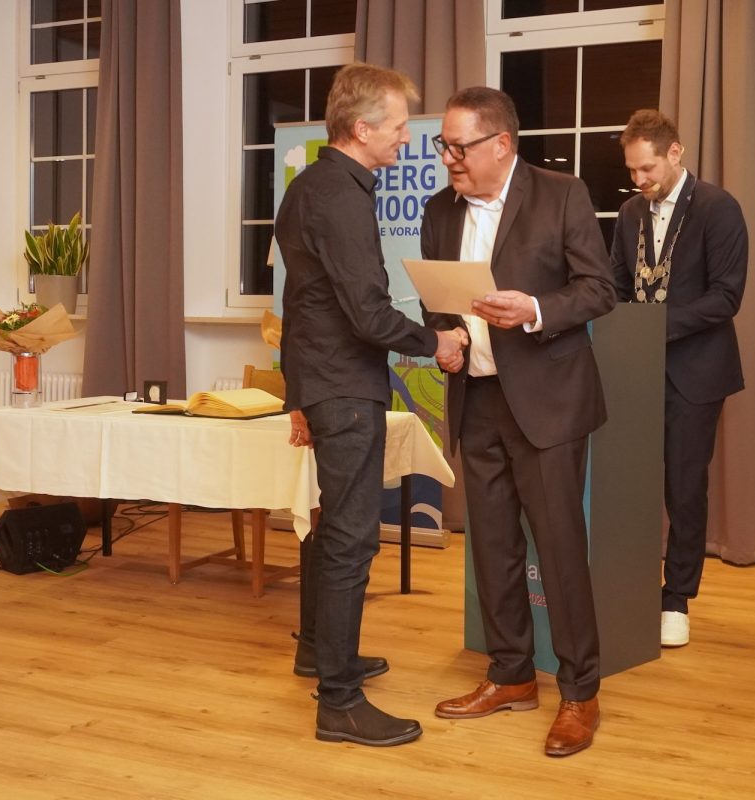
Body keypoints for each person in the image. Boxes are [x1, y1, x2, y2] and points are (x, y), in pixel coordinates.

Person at [420, 86, 617, 757]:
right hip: (475, 399)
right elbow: (437, 302)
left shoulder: (561, 195)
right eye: (444, 146)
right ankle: (510, 675)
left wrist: (534, 309)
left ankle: (581, 693)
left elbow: (599, 289)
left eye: (459, 146)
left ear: (501, 144)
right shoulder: (438, 211)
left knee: (558, 550)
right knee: (493, 547)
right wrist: (446, 337)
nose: (449, 158)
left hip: (548, 403)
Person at [276, 62, 468, 748]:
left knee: (334, 531)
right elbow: (366, 313)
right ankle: (339, 702)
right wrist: (436, 342)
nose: (406, 139)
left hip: (323, 381)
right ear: (362, 129)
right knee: (352, 539)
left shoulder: (309, 186)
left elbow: (300, 305)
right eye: (398, 127)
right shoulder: (342, 197)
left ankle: (319, 653)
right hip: (346, 387)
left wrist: (299, 395)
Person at [607, 110, 748, 647]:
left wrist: (652, 327)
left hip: (696, 374)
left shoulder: (718, 207)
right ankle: (631, 586)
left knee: (684, 489)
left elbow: (726, 297)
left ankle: (677, 599)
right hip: (637, 370)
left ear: (675, 153)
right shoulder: (629, 213)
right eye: (632, 170)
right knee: (632, 486)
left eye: (647, 168)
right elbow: (617, 286)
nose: (639, 180)